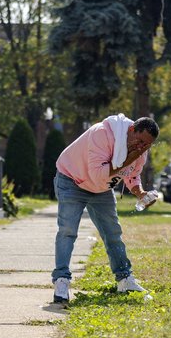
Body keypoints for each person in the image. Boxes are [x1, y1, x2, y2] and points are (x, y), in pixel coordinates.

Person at [51, 115, 159, 305]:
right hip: (72, 180)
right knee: (68, 231)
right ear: (132, 129)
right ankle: (62, 281)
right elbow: (99, 174)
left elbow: (132, 175)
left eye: (147, 145)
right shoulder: (102, 134)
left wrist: (141, 194)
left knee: (113, 233)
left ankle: (124, 279)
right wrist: (128, 158)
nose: (142, 147)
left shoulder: (140, 150)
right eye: (140, 141)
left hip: (101, 189)